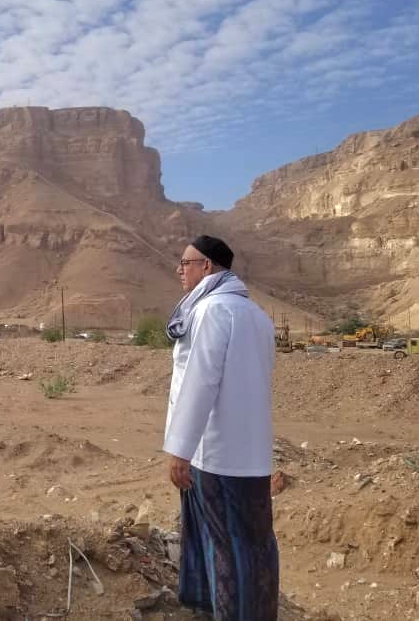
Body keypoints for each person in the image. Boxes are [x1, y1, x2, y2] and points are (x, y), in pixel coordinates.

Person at [163, 235, 279, 620]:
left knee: (223, 546)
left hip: (213, 454)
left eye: (186, 263)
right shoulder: (257, 315)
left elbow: (200, 382)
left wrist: (180, 449)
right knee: (256, 543)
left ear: (207, 266)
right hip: (252, 455)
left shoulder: (211, 310)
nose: (180, 270)